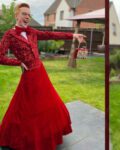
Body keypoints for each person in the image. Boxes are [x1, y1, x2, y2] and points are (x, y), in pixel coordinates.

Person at [0, 3, 85, 150]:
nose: (27, 17)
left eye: (29, 14)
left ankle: (47, 135)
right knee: (26, 109)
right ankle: (26, 138)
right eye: (24, 14)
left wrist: (72, 35)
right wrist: (18, 62)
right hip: (29, 77)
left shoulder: (32, 32)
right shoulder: (10, 35)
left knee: (47, 104)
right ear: (16, 15)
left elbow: (51, 34)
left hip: (41, 73)